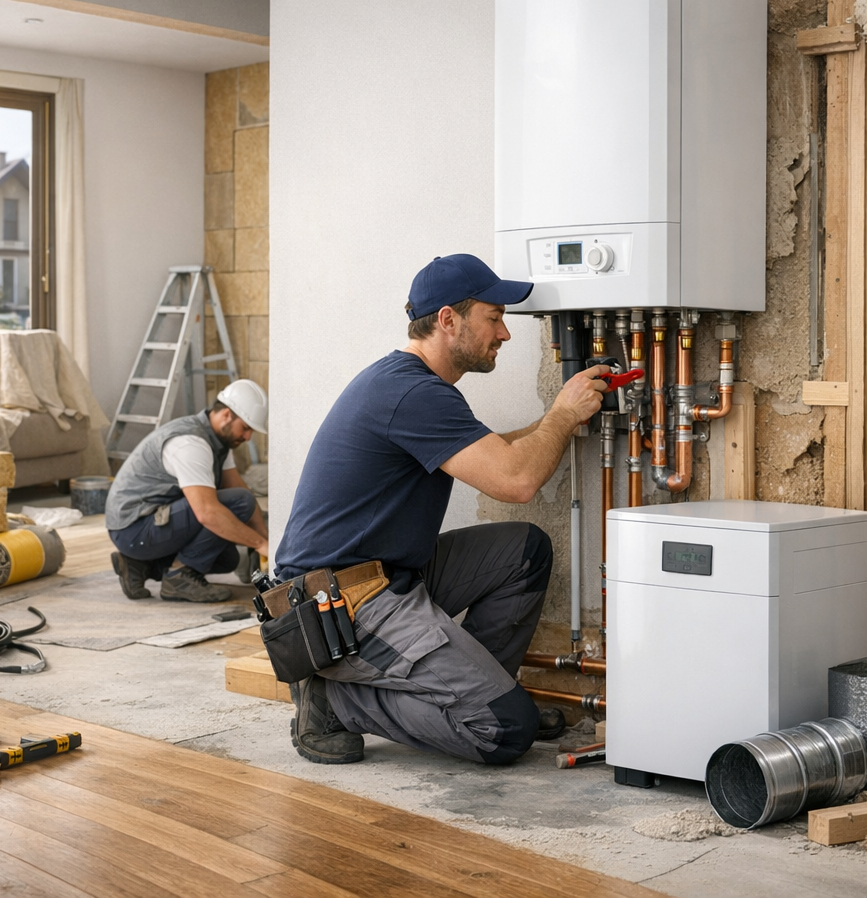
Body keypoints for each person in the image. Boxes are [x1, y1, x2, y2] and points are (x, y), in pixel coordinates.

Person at [274, 254, 609, 765]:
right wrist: (561, 416)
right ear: (450, 319)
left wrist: (556, 422)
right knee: (503, 732)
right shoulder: (412, 392)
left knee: (523, 551)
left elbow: (496, 452)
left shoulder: (413, 386)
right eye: (494, 318)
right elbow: (515, 479)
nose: (505, 334)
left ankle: (486, 693)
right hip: (339, 604)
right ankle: (335, 700)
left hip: (389, 574)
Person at [106, 379, 270, 602]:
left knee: (226, 559)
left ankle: (140, 566)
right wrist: (261, 545)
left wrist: (267, 539)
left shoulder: (218, 440)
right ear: (227, 415)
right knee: (236, 503)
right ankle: (179, 578)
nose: (248, 437)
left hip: (145, 523)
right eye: (246, 428)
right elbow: (208, 513)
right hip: (133, 527)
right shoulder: (191, 444)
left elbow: (238, 488)